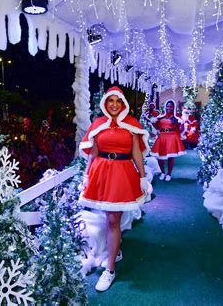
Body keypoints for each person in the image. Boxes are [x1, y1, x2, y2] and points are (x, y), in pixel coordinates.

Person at [79, 86, 149, 292]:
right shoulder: (98, 124)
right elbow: (93, 151)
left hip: (122, 173)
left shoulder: (132, 125)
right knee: (108, 217)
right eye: (111, 100)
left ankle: (110, 269)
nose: (115, 104)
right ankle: (114, 250)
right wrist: (86, 174)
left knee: (112, 219)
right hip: (101, 171)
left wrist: (143, 176)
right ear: (105, 103)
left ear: (124, 104)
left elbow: (136, 152)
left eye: (119, 101)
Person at [148, 100, 186, 181]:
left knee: (170, 156)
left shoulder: (176, 118)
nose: (169, 108)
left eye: (171, 106)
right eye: (168, 106)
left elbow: (180, 129)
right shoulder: (160, 117)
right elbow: (157, 127)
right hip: (162, 137)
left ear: (173, 108)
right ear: (165, 107)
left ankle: (169, 174)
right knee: (159, 157)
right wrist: (153, 122)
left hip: (171, 137)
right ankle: (162, 172)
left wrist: (181, 123)